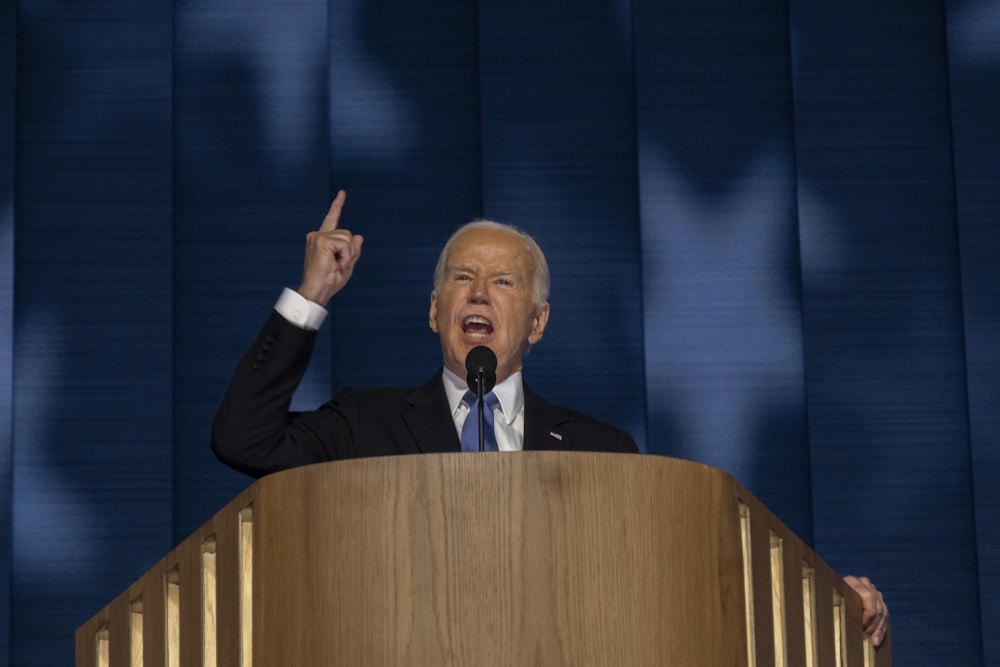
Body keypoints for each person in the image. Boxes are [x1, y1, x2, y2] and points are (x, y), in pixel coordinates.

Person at [210, 190, 888, 647]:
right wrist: (311, 294)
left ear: (536, 323)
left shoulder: (602, 450)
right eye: (462, 278)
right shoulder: (366, 421)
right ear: (433, 309)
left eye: (503, 282)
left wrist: (827, 604)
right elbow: (244, 437)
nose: (479, 292)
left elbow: (690, 582)